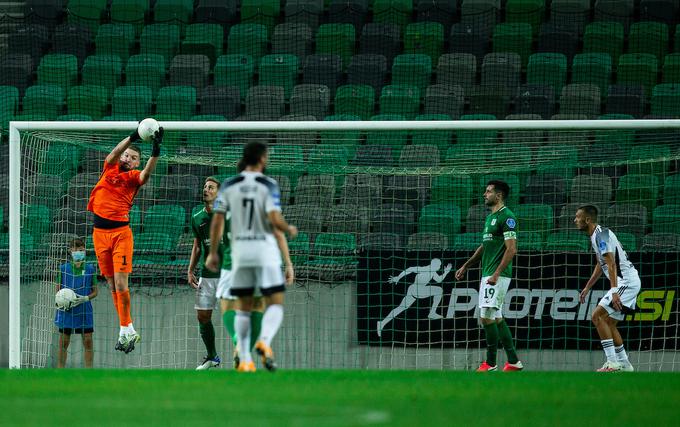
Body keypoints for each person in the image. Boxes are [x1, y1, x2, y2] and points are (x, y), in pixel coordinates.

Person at [206, 141, 297, 373]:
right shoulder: (269, 185)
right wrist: (288, 245)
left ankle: (243, 353)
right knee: (269, 303)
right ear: (262, 159)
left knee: (236, 306)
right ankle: (264, 341)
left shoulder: (228, 187)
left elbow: (216, 221)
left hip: (237, 256)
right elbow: (276, 225)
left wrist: (213, 252)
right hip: (265, 254)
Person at [87, 125, 163, 353]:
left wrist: (156, 150)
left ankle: (124, 329)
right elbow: (112, 154)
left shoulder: (132, 178)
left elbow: (146, 175)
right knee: (110, 283)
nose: (128, 158)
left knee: (120, 283)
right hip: (99, 235)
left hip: (121, 235)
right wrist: (133, 136)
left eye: (133, 158)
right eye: (127, 155)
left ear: (136, 163)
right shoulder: (109, 168)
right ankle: (127, 328)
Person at [455, 180, 523, 372]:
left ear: (499, 195)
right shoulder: (490, 218)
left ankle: (491, 363)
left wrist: (497, 273)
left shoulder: (507, 217)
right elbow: (485, 246)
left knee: (485, 316)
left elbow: (512, 249)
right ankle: (514, 361)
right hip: (488, 273)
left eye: (488, 191)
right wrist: (466, 265)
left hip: (497, 275)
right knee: (496, 316)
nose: (485, 195)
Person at [574, 205, 639, 372]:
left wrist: (615, 292)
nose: (575, 220)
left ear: (587, 220)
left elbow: (611, 263)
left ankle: (612, 362)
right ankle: (624, 363)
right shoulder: (596, 235)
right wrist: (588, 287)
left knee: (597, 316)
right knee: (609, 323)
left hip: (626, 282)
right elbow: (601, 263)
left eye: (578, 217)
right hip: (627, 281)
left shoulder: (601, 235)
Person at [377, 258, 452, 337]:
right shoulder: (425, 269)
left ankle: (382, 323)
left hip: (413, 291)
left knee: (400, 308)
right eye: (439, 265)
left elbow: (439, 280)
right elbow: (410, 269)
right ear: (434, 265)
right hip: (416, 289)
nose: (440, 267)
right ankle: (432, 313)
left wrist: (446, 272)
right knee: (439, 290)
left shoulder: (433, 272)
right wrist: (398, 277)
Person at [54, 238, 98, 368]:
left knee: (88, 341)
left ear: (85, 251)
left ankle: (89, 372)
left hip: (84, 309)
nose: (78, 252)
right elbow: (57, 291)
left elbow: (95, 291)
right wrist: (61, 301)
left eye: (81, 250)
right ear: (70, 251)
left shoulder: (90, 269)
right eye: (75, 249)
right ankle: (59, 371)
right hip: (67, 310)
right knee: (64, 342)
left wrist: (85, 298)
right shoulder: (63, 268)